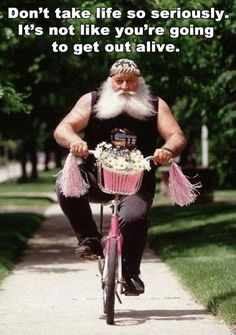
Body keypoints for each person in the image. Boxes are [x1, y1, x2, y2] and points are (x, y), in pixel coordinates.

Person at [54, 59, 186, 295]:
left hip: (137, 181)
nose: (125, 86)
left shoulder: (156, 105)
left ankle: (130, 274)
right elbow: (63, 128)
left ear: (140, 83)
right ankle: (89, 239)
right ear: (110, 82)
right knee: (65, 185)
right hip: (96, 177)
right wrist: (74, 141)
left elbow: (176, 135)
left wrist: (167, 149)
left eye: (131, 82)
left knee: (134, 218)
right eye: (119, 81)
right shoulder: (92, 101)